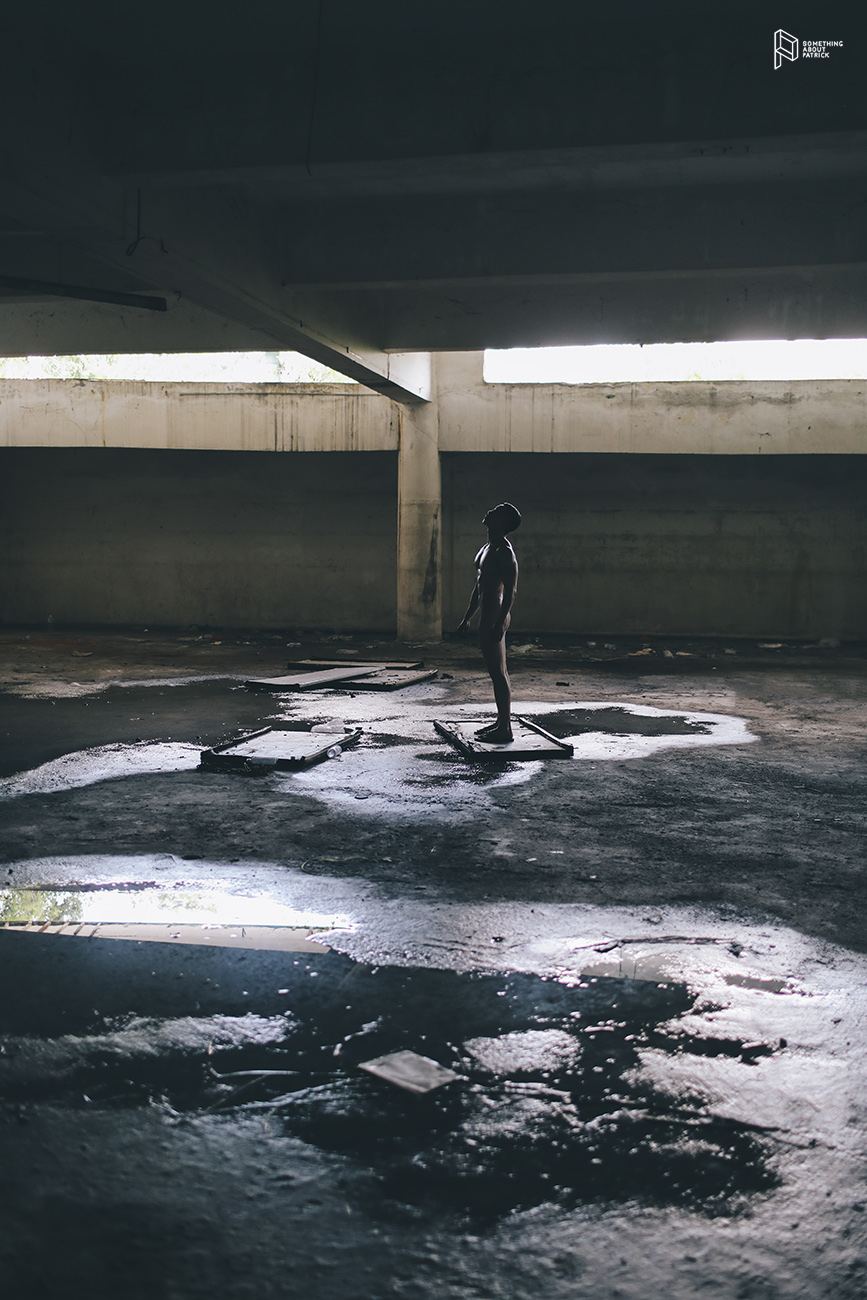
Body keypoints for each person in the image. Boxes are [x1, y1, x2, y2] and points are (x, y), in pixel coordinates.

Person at [456, 502, 521, 742]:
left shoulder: (504, 551)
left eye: (496, 512)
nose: (490, 511)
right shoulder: (487, 548)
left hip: (495, 614)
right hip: (487, 614)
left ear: (502, 523)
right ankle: (500, 722)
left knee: (499, 672)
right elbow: (479, 586)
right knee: (496, 671)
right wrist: (467, 617)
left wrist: (501, 619)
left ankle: (505, 729)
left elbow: (511, 590)